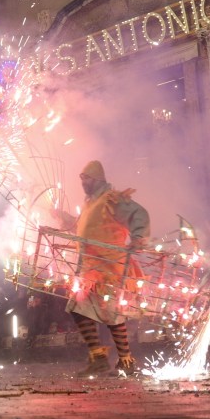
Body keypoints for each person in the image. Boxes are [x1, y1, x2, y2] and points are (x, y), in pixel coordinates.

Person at [67, 160, 150, 377]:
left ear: (96, 179)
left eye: (85, 178)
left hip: (111, 267)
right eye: (81, 178)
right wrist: (62, 218)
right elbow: (84, 228)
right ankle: (99, 357)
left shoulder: (111, 199)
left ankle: (126, 361)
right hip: (90, 268)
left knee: (113, 314)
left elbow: (138, 214)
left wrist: (138, 237)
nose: (82, 182)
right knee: (78, 307)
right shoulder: (89, 203)